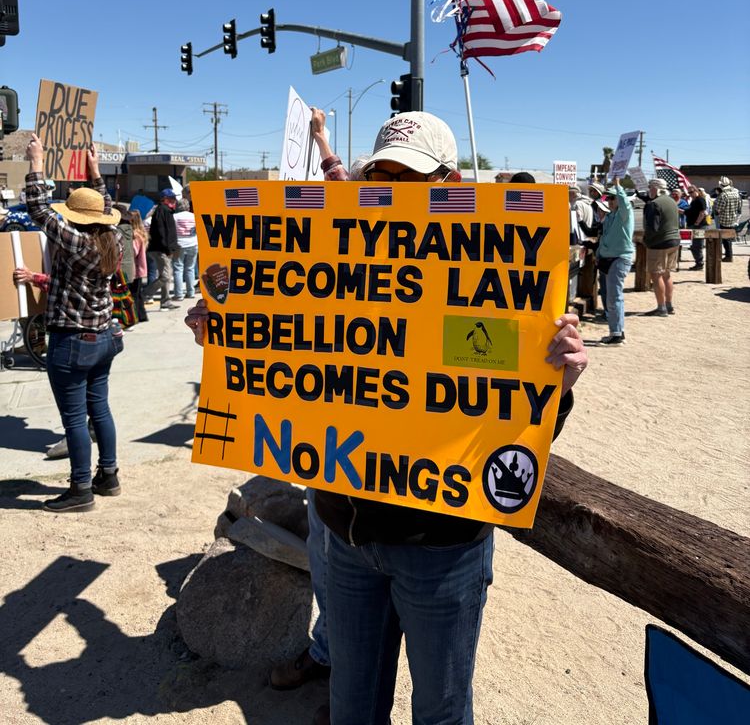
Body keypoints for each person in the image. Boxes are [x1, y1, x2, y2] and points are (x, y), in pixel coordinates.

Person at [186, 111, 588, 725]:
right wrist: (232, 332)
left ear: (451, 182)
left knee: (441, 712)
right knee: (352, 703)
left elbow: (514, 427)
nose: (396, 190)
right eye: (384, 174)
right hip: (342, 531)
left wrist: (558, 381)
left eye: (413, 177)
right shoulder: (339, 249)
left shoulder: (500, 279)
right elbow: (297, 362)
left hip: (441, 548)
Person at [24, 133, 124, 512]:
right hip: (104, 336)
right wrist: (96, 173)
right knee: (100, 410)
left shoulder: (76, 242)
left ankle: (80, 488)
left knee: (74, 419)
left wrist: (36, 162)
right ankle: (108, 475)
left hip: (73, 340)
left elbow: (38, 209)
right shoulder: (110, 238)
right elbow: (107, 206)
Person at [596, 178, 634, 345]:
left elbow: (625, 203)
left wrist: (618, 185)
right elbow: (605, 238)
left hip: (620, 258)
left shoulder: (625, 213)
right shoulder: (610, 217)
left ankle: (616, 333)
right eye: (608, 198)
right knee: (613, 296)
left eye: (612, 198)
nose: (609, 201)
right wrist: (598, 253)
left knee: (614, 296)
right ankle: (617, 331)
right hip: (609, 258)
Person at [643, 177, 680, 317]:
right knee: (667, 273)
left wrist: (646, 240)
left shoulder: (654, 204)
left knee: (656, 274)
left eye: (650, 187)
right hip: (674, 240)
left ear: (655, 188)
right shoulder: (672, 201)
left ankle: (661, 307)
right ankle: (669, 305)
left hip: (659, 243)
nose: (648, 190)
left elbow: (652, 227)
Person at [143, 189, 180, 309]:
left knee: (166, 276)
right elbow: (161, 232)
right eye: (171, 199)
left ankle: (165, 301)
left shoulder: (167, 211)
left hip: (163, 249)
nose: (173, 201)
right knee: (166, 276)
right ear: (164, 199)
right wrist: (167, 249)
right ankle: (144, 294)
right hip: (160, 249)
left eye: (173, 199)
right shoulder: (161, 210)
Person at [172, 198, 198, 300]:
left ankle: (178, 294)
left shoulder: (174, 217)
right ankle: (190, 292)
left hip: (179, 244)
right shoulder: (194, 216)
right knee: (190, 268)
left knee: (178, 269)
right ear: (188, 206)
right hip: (193, 243)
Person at [713, 175, 742, 262]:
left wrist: (715, 209)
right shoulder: (736, 194)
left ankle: (728, 256)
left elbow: (718, 210)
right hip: (733, 220)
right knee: (728, 239)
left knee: (726, 240)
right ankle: (729, 255)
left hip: (724, 220)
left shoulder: (723, 195)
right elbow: (739, 207)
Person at [129, 208, 150, 322]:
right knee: (138, 294)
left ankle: (135, 315)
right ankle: (142, 315)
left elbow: (134, 251)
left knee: (134, 294)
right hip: (140, 268)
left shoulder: (135, 235)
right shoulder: (141, 232)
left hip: (135, 268)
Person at [684, 186, 708, 270]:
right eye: (689, 192)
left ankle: (700, 263)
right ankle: (698, 262)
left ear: (696, 190)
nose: (690, 194)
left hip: (699, 226)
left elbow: (703, 213)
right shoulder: (694, 201)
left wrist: (697, 223)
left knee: (697, 245)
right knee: (693, 245)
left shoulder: (700, 199)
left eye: (691, 192)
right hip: (693, 225)